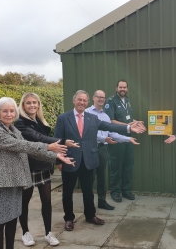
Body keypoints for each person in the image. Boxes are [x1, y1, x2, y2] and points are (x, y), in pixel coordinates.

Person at [0, 97, 74, 249]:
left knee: (12, 219)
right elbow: (22, 146)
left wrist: (56, 157)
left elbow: (29, 150)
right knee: (0, 221)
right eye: (5, 111)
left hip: (15, 180)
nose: (9, 114)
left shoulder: (13, 129)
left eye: (11, 111)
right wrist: (48, 146)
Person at [54, 90, 145, 231]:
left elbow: (109, 126)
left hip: (88, 160)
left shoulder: (92, 118)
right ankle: (69, 219)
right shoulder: (63, 118)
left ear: (87, 103)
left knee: (88, 190)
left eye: (84, 101)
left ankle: (90, 215)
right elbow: (58, 140)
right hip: (70, 160)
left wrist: (128, 127)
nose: (82, 103)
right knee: (67, 192)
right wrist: (59, 161)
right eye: (79, 100)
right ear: (74, 101)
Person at [14, 93, 79, 247]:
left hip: (43, 166)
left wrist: (57, 156)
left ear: (38, 105)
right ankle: (25, 233)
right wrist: (62, 142)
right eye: (28, 103)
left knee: (47, 201)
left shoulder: (41, 121)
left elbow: (43, 141)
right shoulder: (20, 123)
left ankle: (48, 233)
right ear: (23, 105)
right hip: (27, 167)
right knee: (24, 202)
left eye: (34, 102)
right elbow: (37, 137)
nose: (32, 105)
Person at [85, 90, 140, 210]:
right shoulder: (87, 113)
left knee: (101, 177)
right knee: (89, 178)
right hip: (90, 149)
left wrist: (128, 139)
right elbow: (87, 133)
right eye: (98, 97)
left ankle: (102, 201)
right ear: (93, 98)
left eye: (103, 97)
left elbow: (112, 133)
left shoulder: (105, 116)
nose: (101, 99)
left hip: (102, 149)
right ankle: (88, 207)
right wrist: (104, 138)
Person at [104, 80, 145, 203]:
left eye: (125, 87)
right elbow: (110, 121)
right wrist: (128, 126)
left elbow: (128, 118)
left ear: (127, 88)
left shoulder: (127, 100)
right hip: (117, 138)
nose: (123, 89)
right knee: (116, 166)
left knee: (128, 165)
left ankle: (126, 190)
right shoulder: (110, 102)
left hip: (129, 139)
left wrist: (137, 122)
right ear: (116, 88)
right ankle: (115, 192)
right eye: (120, 87)